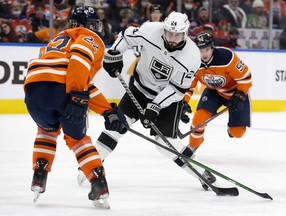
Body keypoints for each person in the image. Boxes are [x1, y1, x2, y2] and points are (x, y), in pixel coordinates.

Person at [91, 11, 217, 190]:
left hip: (168, 99)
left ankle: (201, 173)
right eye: (170, 33)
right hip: (139, 88)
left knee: (165, 144)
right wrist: (115, 53)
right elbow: (127, 36)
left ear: (185, 33)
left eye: (177, 34)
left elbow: (177, 89)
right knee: (117, 126)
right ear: (164, 29)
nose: (172, 38)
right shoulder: (150, 30)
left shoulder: (192, 56)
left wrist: (155, 106)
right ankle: (91, 167)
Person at [24, 6, 127, 208]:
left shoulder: (55, 42)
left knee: (46, 131)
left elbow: (71, 77)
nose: (94, 29)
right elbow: (79, 63)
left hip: (33, 91)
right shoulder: (88, 37)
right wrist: (78, 96)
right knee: (78, 139)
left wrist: (107, 110)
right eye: (92, 24)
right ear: (80, 25)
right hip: (63, 89)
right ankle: (98, 182)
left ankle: (39, 174)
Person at [184, 33, 252, 154]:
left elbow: (245, 77)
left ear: (212, 48)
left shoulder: (226, 57)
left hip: (236, 93)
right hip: (214, 92)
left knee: (237, 133)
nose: (204, 54)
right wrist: (183, 102)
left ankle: (231, 129)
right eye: (200, 51)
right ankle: (193, 146)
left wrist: (240, 94)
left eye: (206, 50)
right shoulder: (192, 63)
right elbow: (188, 85)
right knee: (198, 120)